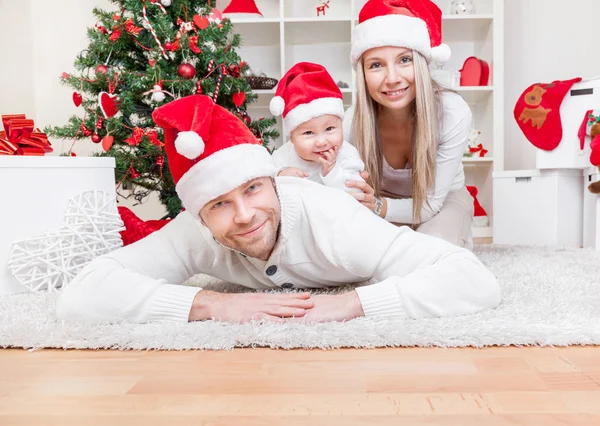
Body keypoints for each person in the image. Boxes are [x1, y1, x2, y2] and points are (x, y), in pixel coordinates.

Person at [56, 94, 501, 324]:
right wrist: (212, 305)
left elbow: (473, 281)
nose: (245, 214)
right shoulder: (193, 229)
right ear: (199, 215)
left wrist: (354, 304)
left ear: (273, 179)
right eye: (220, 204)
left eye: (252, 189)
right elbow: (83, 293)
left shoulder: (334, 218)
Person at [343, 0, 476, 248]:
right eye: (376, 65)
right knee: (357, 253)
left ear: (423, 63)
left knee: (430, 250)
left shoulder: (452, 112)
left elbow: (430, 205)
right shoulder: (353, 121)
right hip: (380, 205)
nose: (392, 79)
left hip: (442, 201)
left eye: (404, 60)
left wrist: (380, 207)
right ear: (362, 73)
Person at [269, 62, 365, 193]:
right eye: (308, 132)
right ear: (291, 137)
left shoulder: (347, 155)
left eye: (329, 129)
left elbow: (358, 192)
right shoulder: (283, 157)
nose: (321, 142)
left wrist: (333, 171)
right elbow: (264, 185)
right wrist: (280, 177)